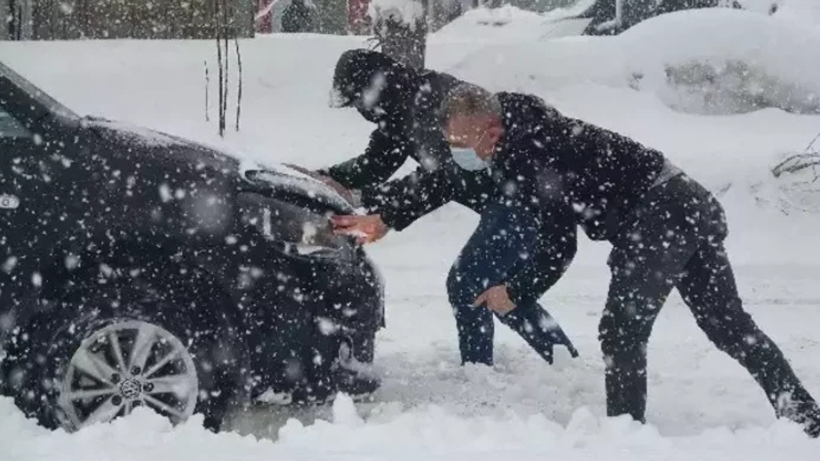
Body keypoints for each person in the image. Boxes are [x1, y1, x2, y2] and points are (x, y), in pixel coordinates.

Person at [432, 82, 820, 437]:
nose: (458, 152)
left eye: (462, 143)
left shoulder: (536, 153)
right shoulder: (528, 134)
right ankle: (807, 419)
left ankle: (624, 439)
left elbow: (558, 250)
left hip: (659, 216)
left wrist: (514, 291)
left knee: (622, 331)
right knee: (729, 325)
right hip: (687, 202)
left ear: (492, 131)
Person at [306, 49, 579, 366]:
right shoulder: (397, 111)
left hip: (519, 196)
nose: (359, 110)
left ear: (372, 90)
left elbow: (440, 178)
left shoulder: (428, 104)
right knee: (498, 290)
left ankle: (478, 372)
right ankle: (563, 362)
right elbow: (376, 164)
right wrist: (330, 177)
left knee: (468, 283)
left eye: (357, 101)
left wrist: (386, 214)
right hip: (504, 200)